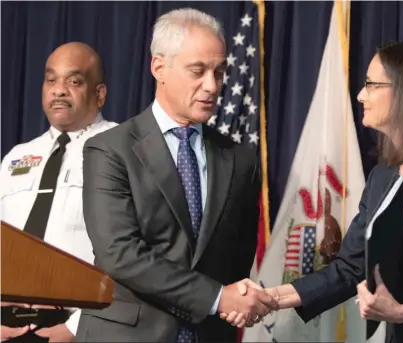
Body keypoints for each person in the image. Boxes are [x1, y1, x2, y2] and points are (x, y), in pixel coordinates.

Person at [222, 42, 403, 343]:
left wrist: (401, 312)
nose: (360, 95)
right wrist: (270, 298)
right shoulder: (382, 175)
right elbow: (348, 268)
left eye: (371, 84)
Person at [75, 8, 277, 343]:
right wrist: (215, 297)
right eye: (197, 71)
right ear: (159, 67)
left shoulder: (240, 159)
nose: (212, 86)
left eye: (219, 71)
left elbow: (237, 261)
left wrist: (234, 300)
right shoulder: (109, 150)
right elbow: (119, 253)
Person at [0, 42, 118, 342]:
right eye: (51, 80)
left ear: (99, 93)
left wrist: (75, 329)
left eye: (74, 81)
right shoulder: (16, 156)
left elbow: (129, 253)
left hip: (80, 327)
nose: (59, 90)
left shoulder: (122, 149)